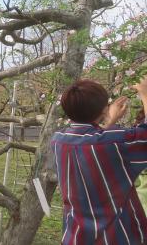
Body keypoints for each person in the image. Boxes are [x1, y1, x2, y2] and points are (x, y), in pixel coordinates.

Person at [52, 78, 147, 244]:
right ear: (104, 109)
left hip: (76, 236)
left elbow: (91, 142)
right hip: (118, 236)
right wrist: (145, 94)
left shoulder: (58, 140)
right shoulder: (117, 142)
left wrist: (109, 121)